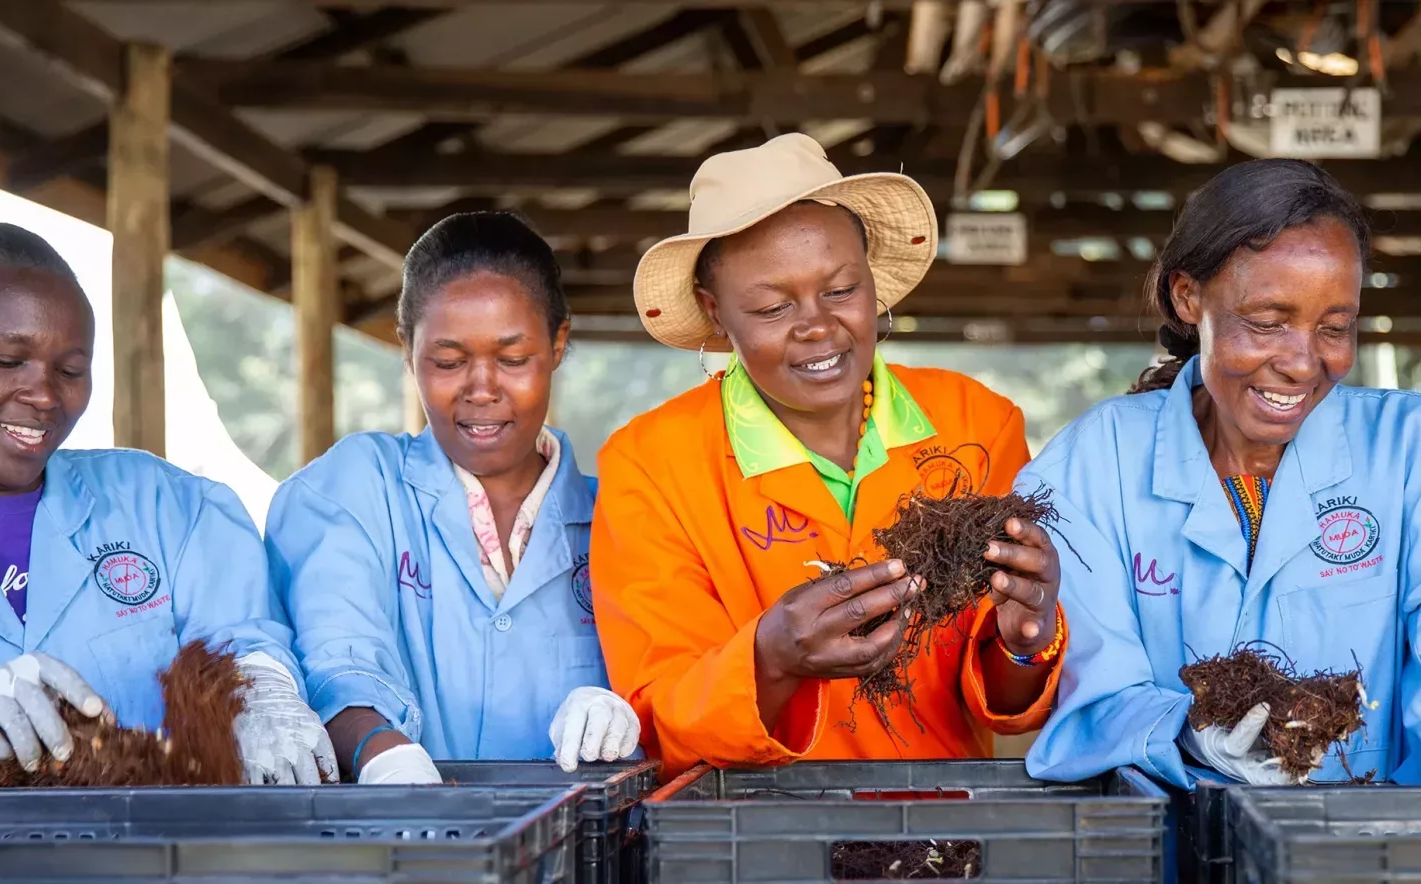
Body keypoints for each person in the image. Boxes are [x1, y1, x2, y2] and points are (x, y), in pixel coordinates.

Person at [589, 133, 1066, 778]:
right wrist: (770, 659)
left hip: (940, 819)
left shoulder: (976, 423)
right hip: (747, 825)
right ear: (715, 312)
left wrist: (1026, 636)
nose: (817, 325)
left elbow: (1007, 700)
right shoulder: (650, 463)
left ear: (872, 280)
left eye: (841, 290)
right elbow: (658, 714)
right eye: (772, 306)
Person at [0, 222, 333, 789]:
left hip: (157, 845)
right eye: (6, 360)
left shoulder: (170, 508)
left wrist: (262, 689)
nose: (45, 395)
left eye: (70, 370)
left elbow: (241, 640)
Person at [1022, 159, 1419, 788]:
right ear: (1188, 297)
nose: (1301, 363)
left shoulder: (1407, 451)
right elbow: (1089, 697)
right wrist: (1187, 728)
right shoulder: (1093, 464)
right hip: (1169, 838)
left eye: (1334, 328)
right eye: (1266, 323)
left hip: (1370, 834)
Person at [266, 211, 638, 785]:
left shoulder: (623, 516)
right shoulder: (352, 489)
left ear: (559, 343)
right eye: (448, 361)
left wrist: (627, 710)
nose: (482, 389)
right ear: (407, 348)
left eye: (513, 359)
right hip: (398, 832)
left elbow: (674, 676)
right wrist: (383, 754)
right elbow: (336, 656)